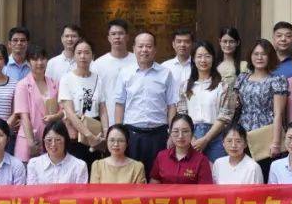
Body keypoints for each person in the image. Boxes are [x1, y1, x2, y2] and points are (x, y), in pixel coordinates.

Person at [114, 32, 181, 173]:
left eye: (149, 46)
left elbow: (172, 105)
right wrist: (119, 133)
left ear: (155, 49)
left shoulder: (166, 73)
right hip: (132, 134)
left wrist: (171, 134)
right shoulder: (125, 73)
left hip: (159, 134)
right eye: (140, 46)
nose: (144, 50)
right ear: (134, 48)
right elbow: (120, 104)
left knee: (158, 175)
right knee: (132, 175)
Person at [235, 38, 288, 178]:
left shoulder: (277, 80)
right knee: (244, 176)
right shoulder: (242, 78)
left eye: (263, 54)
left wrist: (276, 142)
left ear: (270, 57)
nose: (259, 57)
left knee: (263, 175)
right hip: (243, 133)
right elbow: (236, 106)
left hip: (265, 134)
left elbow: (278, 113)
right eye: (256, 54)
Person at [177, 40, 235, 162]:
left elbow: (225, 116)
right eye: (199, 56)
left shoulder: (223, 86)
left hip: (216, 135)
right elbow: (182, 114)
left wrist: (206, 139)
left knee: (216, 170)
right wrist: (191, 138)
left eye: (207, 56)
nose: (203, 60)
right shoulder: (185, 86)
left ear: (213, 59)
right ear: (193, 59)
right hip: (191, 136)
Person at [59, 39, 107, 163]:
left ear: (92, 56)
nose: (82, 56)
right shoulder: (67, 79)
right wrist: (88, 135)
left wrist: (106, 133)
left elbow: (103, 109)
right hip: (76, 130)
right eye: (79, 52)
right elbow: (69, 112)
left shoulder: (98, 79)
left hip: (95, 129)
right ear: (74, 55)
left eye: (86, 52)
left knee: (94, 166)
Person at [14, 44, 62, 163]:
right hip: (30, 139)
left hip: (51, 140)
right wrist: (31, 143)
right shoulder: (22, 85)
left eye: (42, 58)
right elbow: (24, 117)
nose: (39, 63)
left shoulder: (55, 84)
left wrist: (55, 117)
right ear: (28, 62)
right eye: (35, 59)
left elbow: (63, 110)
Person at [91, 18, 137, 125]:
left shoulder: (137, 61)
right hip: (108, 120)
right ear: (108, 38)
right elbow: (94, 95)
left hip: (134, 120)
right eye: (113, 34)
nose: (117, 37)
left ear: (127, 37)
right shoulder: (98, 64)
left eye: (121, 33)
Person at [149, 114, 213, 184]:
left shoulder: (201, 160)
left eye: (185, 131)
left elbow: (205, 189)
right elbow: (154, 184)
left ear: (192, 133)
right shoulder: (161, 156)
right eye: (176, 131)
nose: (180, 136)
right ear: (170, 133)